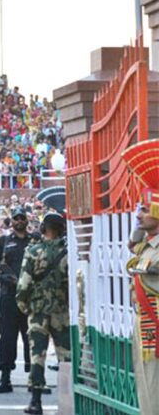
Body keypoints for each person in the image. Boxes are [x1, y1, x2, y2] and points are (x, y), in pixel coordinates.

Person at [15, 188, 69, 415]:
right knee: (66, 356)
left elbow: (24, 283)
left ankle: (36, 401)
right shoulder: (68, 252)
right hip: (61, 310)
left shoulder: (33, 251)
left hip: (37, 310)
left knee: (37, 355)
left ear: (44, 228)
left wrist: (23, 304)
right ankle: (69, 401)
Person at [120, 143, 159, 414]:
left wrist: (136, 265)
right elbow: (132, 251)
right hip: (144, 319)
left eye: (145, 209)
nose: (138, 214)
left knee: (154, 387)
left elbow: (145, 266)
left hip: (155, 321)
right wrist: (138, 226)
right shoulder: (147, 242)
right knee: (145, 385)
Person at [0, 207, 33, 393]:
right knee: (7, 338)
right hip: (9, 296)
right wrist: (0, 277)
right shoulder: (4, 241)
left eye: (22, 218)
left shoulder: (35, 240)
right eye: (16, 218)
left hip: (30, 296)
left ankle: (35, 378)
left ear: (27, 220)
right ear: (11, 221)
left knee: (32, 337)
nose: (19, 221)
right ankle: (5, 377)